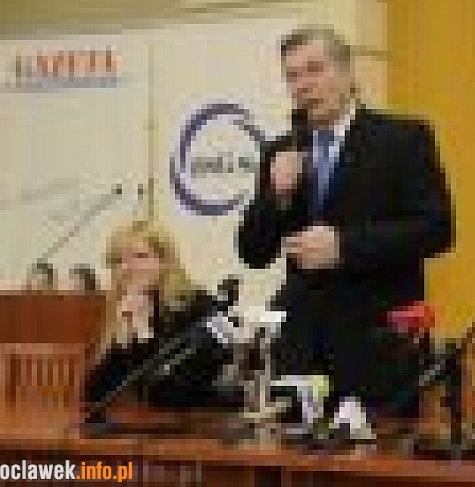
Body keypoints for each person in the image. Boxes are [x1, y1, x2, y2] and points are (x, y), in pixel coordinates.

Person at [237, 27, 454, 417]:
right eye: (292, 76)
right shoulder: (281, 150)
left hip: (376, 350)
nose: (302, 85)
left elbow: (437, 229)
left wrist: (344, 246)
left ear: (348, 73)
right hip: (300, 353)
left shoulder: (402, 139)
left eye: (314, 70)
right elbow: (253, 252)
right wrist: (276, 196)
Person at [82, 220, 235, 410]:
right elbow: (94, 393)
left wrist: (143, 331)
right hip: (152, 420)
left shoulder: (200, 308)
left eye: (140, 256)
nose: (128, 267)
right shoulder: (126, 306)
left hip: (204, 419)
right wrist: (122, 339)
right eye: (120, 260)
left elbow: (168, 392)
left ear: (165, 262)